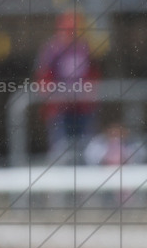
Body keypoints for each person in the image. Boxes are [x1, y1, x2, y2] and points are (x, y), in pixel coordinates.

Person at [35, 11, 100, 162]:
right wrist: (52, 96)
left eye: (75, 28)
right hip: (60, 109)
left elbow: (94, 74)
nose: (72, 33)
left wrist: (89, 94)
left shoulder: (86, 47)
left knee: (87, 151)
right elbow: (44, 76)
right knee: (61, 150)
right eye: (68, 28)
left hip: (83, 107)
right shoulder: (51, 50)